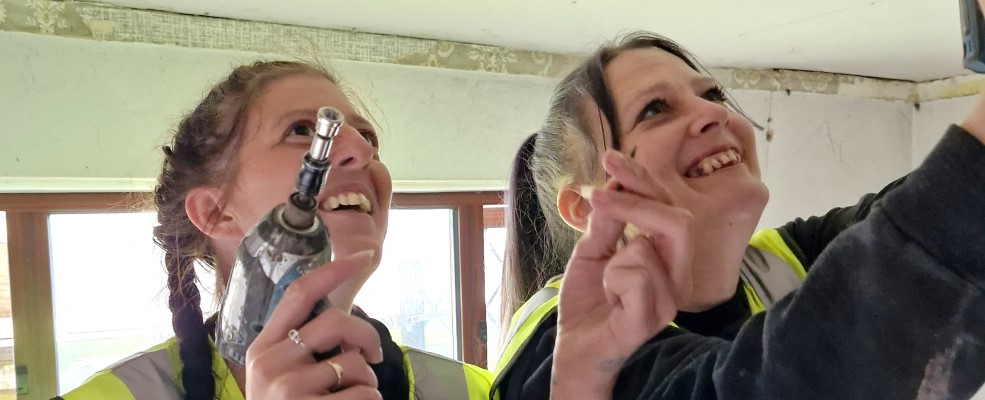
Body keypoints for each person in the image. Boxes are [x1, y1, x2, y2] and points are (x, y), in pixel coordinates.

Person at [496, 31, 985, 399]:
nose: (716, 115)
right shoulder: (555, 346)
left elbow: (936, 223)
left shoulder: (785, 260)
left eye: (710, 95)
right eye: (655, 110)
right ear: (583, 206)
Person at [56, 60, 493, 399]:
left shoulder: (476, 392)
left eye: (367, 136)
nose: (362, 150)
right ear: (214, 211)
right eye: (302, 130)